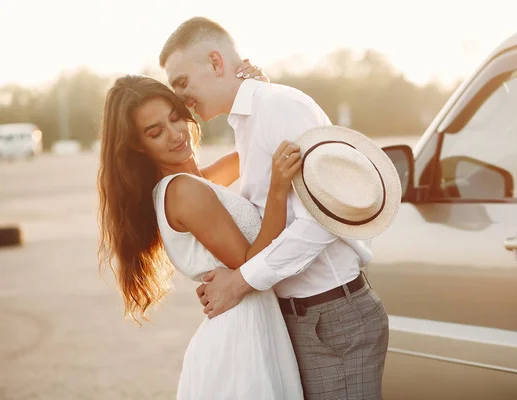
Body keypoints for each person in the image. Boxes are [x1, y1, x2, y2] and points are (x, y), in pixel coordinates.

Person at [160, 17, 390, 399]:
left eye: (182, 83)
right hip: (300, 317)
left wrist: (242, 280)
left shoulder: (279, 106)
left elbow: (323, 218)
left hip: (332, 316)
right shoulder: (249, 120)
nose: (182, 101)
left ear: (216, 63)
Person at [97, 72, 305, 399]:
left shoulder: (198, 183)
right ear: (137, 144)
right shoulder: (182, 192)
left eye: (175, 117)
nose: (175, 134)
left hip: (250, 326)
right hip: (241, 338)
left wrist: (259, 95)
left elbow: (256, 149)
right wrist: (278, 190)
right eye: (155, 132)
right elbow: (251, 263)